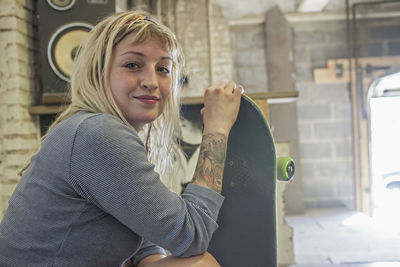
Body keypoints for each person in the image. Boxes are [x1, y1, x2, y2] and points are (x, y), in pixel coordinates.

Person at [0, 10, 242, 267]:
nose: (151, 82)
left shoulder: (89, 126)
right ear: (98, 72)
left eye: (163, 68)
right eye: (132, 65)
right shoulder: (98, 133)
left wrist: (152, 261)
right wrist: (217, 128)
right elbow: (192, 235)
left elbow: (135, 220)